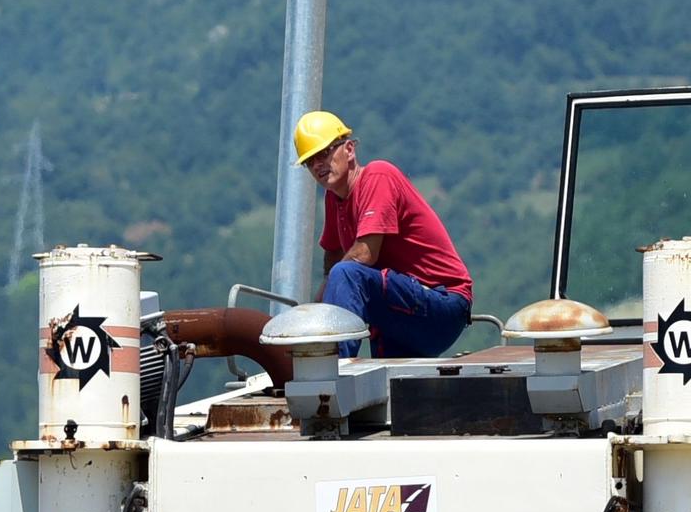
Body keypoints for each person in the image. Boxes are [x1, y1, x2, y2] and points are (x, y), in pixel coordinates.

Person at [169, 111, 475, 379]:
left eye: (325, 153)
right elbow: (333, 259)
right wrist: (309, 320)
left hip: (442, 304)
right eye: (311, 161)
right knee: (387, 390)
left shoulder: (378, 176)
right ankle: (334, 379)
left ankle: (331, 372)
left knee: (349, 275)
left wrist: (322, 332)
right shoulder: (335, 199)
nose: (319, 165)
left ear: (350, 149)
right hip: (402, 312)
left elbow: (363, 257)